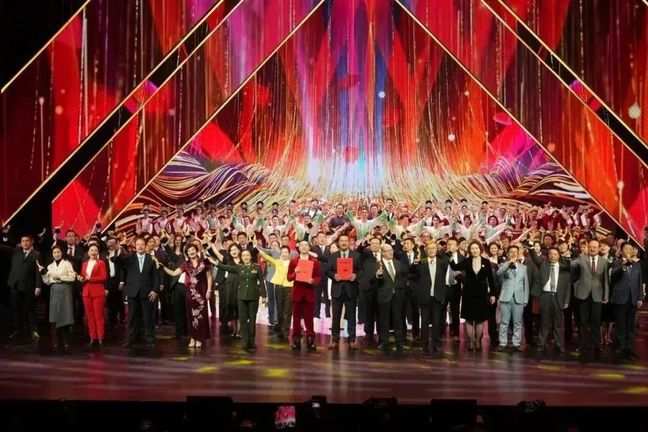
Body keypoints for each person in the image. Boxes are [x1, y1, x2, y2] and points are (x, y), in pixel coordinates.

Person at [214, 250, 267, 351]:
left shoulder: (257, 267)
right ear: (241, 257)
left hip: (253, 296)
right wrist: (217, 263)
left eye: (247, 255)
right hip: (241, 297)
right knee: (243, 319)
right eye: (243, 256)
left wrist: (264, 295)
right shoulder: (239, 267)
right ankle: (244, 341)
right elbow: (227, 268)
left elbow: (261, 281)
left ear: (251, 257)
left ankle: (251, 341)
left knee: (252, 319)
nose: (245, 257)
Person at [161, 243, 212, 348]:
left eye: (193, 249)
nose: (191, 252)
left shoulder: (204, 262)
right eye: (189, 251)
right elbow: (174, 273)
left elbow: (209, 277)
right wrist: (163, 267)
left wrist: (209, 290)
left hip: (202, 292)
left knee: (201, 315)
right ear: (187, 253)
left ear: (196, 250)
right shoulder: (185, 264)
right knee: (191, 315)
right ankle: (192, 337)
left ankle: (199, 338)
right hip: (190, 293)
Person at [449, 240, 496, 351]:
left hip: (482, 294)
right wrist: (451, 255)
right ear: (469, 250)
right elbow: (455, 267)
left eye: (476, 248)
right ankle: (471, 340)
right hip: (468, 293)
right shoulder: (466, 261)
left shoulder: (486, 262)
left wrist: (493, 294)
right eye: (472, 248)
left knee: (479, 320)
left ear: (480, 249)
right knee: (469, 319)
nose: (475, 250)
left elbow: (491, 279)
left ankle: (478, 341)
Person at [115, 238, 161, 349]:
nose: (140, 246)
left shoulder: (151, 258)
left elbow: (156, 276)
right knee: (132, 317)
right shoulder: (130, 257)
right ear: (135, 246)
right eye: (138, 244)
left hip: (147, 292)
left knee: (148, 317)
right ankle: (131, 340)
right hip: (133, 292)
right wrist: (119, 250)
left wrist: (155, 290)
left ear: (146, 246)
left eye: (142, 244)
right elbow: (117, 261)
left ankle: (150, 340)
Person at [0, 235, 42, 342]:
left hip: (29, 286)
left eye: (27, 241)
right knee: (16, 309)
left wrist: (38, 286)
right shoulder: (16, 252)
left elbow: (39, 272)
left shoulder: (37, 254)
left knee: (30, 309)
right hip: (15, 285)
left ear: (31, 242)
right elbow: (4, 247)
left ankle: (33, 331)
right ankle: (17, 330)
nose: (25, 243)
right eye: (23, 241)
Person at [529, 247, 572, 353]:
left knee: (558, 323)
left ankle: (559, 345)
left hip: (558, 297)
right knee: (544, 322)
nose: (552, 256)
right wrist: (531, 247)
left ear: (559, 256)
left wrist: (566, 300)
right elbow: (535, 257)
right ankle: (541, 343)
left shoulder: (564, 268)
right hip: (545, 296)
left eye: (555, 254)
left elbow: (568, 287)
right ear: (547, 256)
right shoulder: (543, 265)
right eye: (550, 254)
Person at [571, 239, 610, 354]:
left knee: (596, 323)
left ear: (599, 248)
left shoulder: (604, 261)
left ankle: (597, 345)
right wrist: (575, 256)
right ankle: (581, 345)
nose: (592, 249)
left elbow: (606, 280)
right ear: (588, 247)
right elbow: (571, 265)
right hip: (583, 294)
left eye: (595, 247)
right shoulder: (582, 258)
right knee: (582, 322)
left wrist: (606, 295)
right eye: (591, 246)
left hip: (597, 295)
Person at [410, 242, 449, 353]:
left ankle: (436, 344)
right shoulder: (421, 262)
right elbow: (410, 273)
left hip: (437, 296)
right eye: (429, 249)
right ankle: (424, 343)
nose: (431, 251)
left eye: (434, 248)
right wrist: (413, 264)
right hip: (424, 296)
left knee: (437, 321)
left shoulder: (442, 263)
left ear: (437, 250)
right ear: (426, 251)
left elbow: (444, 279)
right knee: (425, 321)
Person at [326, 234, 362, 350]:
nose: (344, 243)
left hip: (351, 289)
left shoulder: (356, 255)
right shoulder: (333, 256)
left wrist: (355, 276)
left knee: (351, 316)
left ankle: (352, 340)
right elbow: (327, 271)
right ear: (338, 243)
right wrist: (333, 276)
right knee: (336, 316)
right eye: (341, 241)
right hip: (337, 289)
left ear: (349, 242)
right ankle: (334, 339)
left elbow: (361, 271)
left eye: (346, 240)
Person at [370, 243, 407, 352]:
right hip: (384, 296)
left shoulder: (398, 263)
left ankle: (400, 342)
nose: (391, 252)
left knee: (398, 319)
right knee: (383, 320)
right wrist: (377, 276)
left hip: (397, 296)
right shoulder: (377, 265)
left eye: (391, 250)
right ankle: (384, 341)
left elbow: (404, 277)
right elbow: (371, 281)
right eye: (388, 251)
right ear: (382, 253)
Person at [610, 242, 644, 361]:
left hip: (633, 299)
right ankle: (621, 347)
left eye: (631, 248)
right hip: (620, 298)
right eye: (626, 249)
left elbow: (639, 281)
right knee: (620, 325)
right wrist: (623, 266)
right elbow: (613, 276)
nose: (629, 250)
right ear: (622, 251)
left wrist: (640, 297)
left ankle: (630, 347)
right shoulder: (617, 262)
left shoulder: (637, 265)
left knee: (631, 326)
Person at [38, 245, 75, 350]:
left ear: (62, 253)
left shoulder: (67, 264)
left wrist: (60, 277)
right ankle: (58, 340)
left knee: (65, 314)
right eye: (54, 253)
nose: (56, 254)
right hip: (55, 290)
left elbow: (72, 277)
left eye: (58, 252)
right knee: (56, 316)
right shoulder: (50, 266)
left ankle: (66, 340)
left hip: (65, 289)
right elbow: (47, 282)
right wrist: (43, 274)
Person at [286, 240, 321, 351]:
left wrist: (313, 281)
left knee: (309, 319)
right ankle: (296, 339)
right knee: (296, 319)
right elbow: (289, 277)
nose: (304, 247)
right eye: (302, 245)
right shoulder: (294, 262)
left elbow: (318, 278)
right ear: (299, 248)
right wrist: (295, 273)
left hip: (309, 293)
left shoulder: (315, 262)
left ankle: (311, 339)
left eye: (306, 245)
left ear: (309, 247)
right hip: (297, 294)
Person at [256, 243, 293, 341]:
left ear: (289, 254)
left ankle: (286, 332)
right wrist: (257, 248)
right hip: (278, 287)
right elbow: (266, 257)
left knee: (287, 311)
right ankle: (280, 330)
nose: (284, 254)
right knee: (279, 309)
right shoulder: (277, 262)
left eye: (286, 252)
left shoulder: (293, 263)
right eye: (282, 252)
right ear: (280, 253)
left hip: (289, 287)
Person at [495, 246, 529, 352]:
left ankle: (516, 343)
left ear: (518, 253)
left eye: (515, 252)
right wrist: (509, 264)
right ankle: (502, 342)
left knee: (517, 322)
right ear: (508, 253)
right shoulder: (504, 265)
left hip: (519, 297)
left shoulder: (523, 267)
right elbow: (498, 273)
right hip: (506, 297)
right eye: (511, 252)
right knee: (504, 322)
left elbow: (525, 284)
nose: (513, 253)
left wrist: (525, 298)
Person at [80, 244, 108, 347]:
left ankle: (100, 337)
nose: (93, 252)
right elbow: (83, 276)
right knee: (90, 316)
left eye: (95, 250)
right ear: (88, 252)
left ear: (98, 252)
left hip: (98, 292)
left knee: (98, 316)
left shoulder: (101, 263)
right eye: (91, 250)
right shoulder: (84, 264)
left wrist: (90, 279)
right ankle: (92, 337)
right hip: (86, 292)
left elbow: (103, 277)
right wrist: (81, 278)